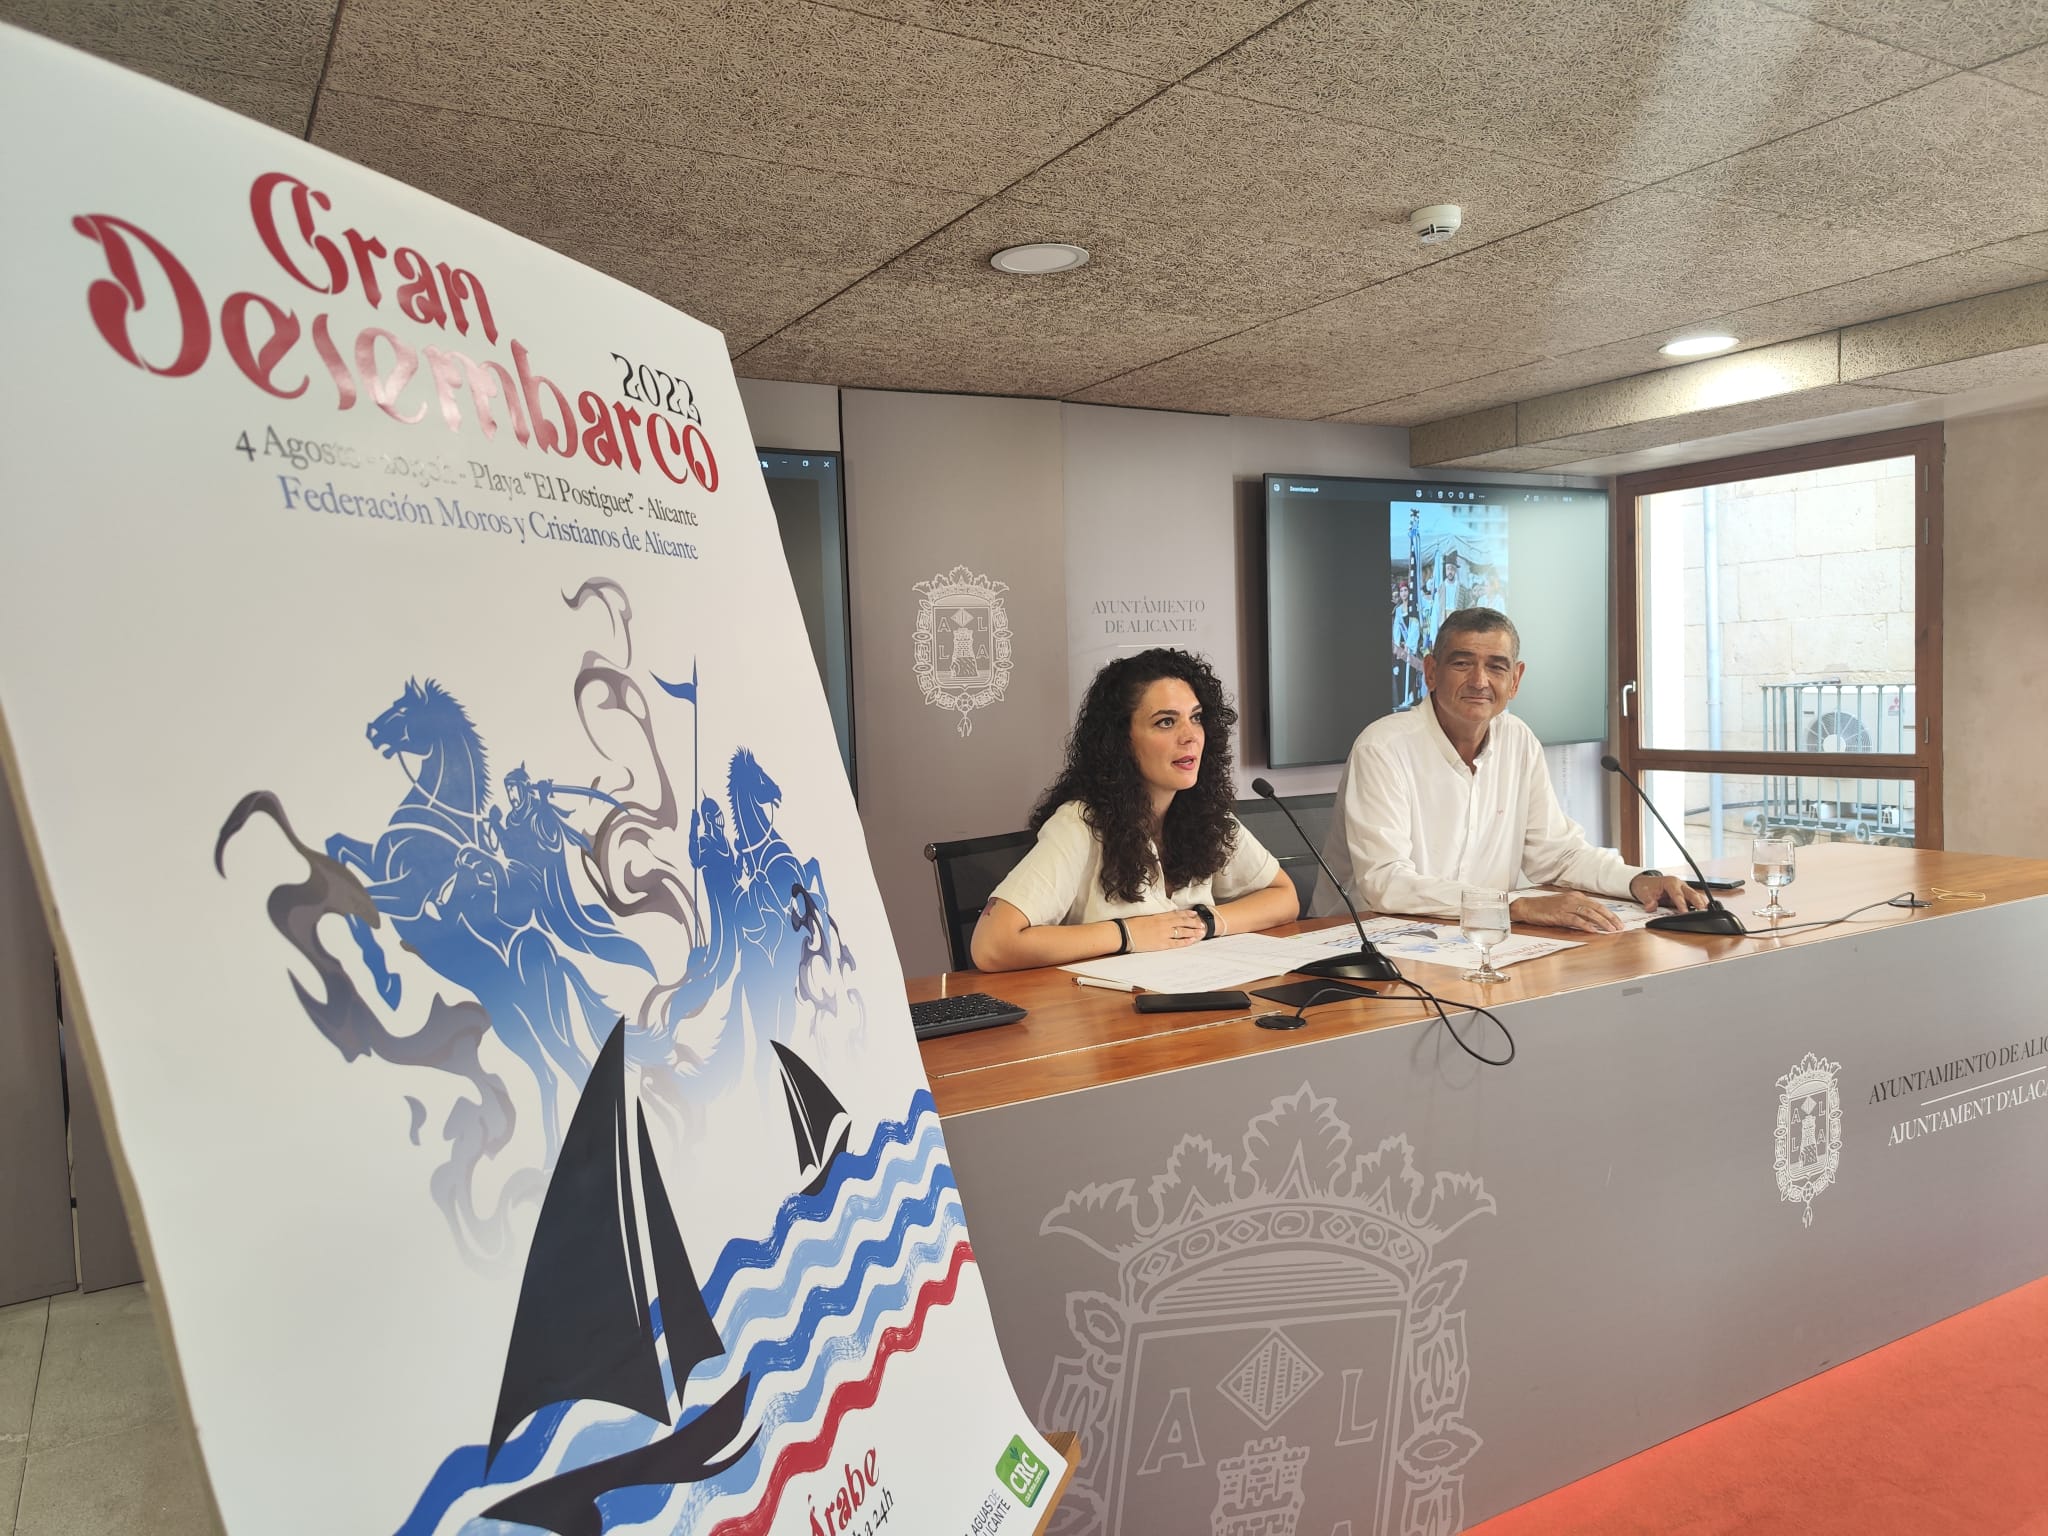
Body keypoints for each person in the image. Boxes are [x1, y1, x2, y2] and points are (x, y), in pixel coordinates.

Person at [1316, 607, 1707, 933]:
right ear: (1431, 672)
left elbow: (1558, 854)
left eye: (1496, 667)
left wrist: (1638, 881)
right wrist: (1515, 906)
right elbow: (1386, 883)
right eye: (1462, 663)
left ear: (1515, 679)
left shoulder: (1518, 739)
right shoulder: (1382, 747)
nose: (1479, 681)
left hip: (1478, 938)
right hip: (1366, 939)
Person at [970, 648, 1300, 971]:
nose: (1190, 736)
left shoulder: (1206, 815)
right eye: (1166, 722)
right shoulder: (1080, 824)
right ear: (1121, 741)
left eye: (1196, 718)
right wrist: (1127, 934)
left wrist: (1206, 922)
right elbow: (992, 945)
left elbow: (1284, 897)